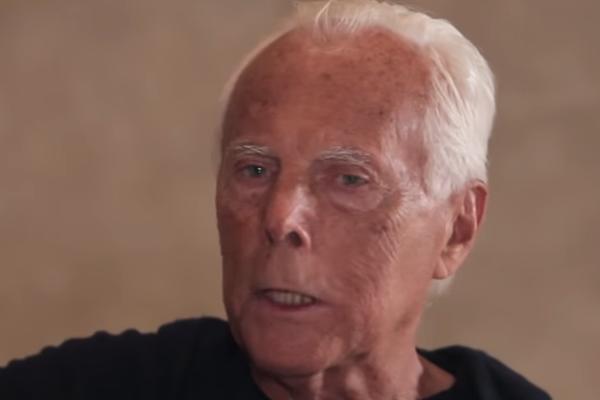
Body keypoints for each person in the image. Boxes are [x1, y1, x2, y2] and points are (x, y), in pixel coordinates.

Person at [0, 1, 551, 399]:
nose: (280, 216)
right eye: (255, 170)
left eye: (349, 179)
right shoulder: (103, 386)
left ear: (457, 229)